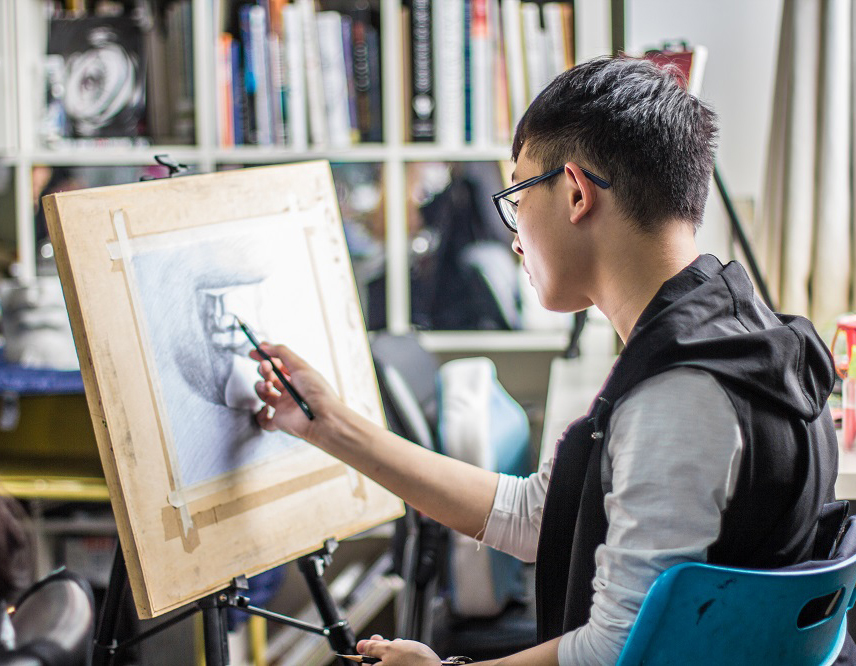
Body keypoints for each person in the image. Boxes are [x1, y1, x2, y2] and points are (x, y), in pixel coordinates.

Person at [250, 56, 849, 664]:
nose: (514, 237)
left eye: (517, 195)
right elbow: (539, 515)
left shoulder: (680, 394)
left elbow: (613, 652)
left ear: (576, 192)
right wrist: (329, 425)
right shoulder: (738, 327)